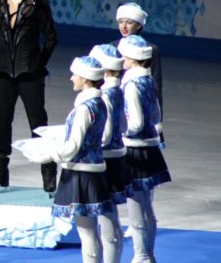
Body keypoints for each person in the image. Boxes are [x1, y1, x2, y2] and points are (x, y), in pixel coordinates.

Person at [26, 56, 119, 263]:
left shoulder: (85, 108)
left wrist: (48, 155)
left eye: (75, 74)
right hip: (92, 169)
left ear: (85, 79)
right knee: (91, 231)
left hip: (81, 172)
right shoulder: (99, 103)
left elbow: (73, 146)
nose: (71, 78)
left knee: (87, 233)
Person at [0, 0, 58, 192]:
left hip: (30, 74)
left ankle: (48, 172)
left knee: (38, 124)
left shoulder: (38, 4)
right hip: (4, 73)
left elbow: (51, 37)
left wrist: (38, 64)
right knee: (2, 122)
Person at [118, 35, 171, 262]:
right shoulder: (149, 81)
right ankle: (148, 254)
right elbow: (157, 116)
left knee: (137, 210)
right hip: (151, 148)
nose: (121, 59)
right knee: (147, 207)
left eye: (124, 55)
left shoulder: (130, 84)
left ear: (132, 57)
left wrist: (120, 132)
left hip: (135, 151)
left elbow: (136, 123)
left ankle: (141, 255)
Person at [90, 44, 129, 263]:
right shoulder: (118, 90)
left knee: (106, 218)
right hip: (117, 157)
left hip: (106, 160)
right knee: (110, 216)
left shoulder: (105, 95)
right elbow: (123, 124)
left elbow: (103, 136)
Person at [110, 2, 163, 144]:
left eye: (129, 22)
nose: (124, 26)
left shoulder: (150, 49)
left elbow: (156, 86)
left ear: (139, 25)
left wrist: (158, 124)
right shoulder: (112, 47)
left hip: (138, 104)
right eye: (121, 22)